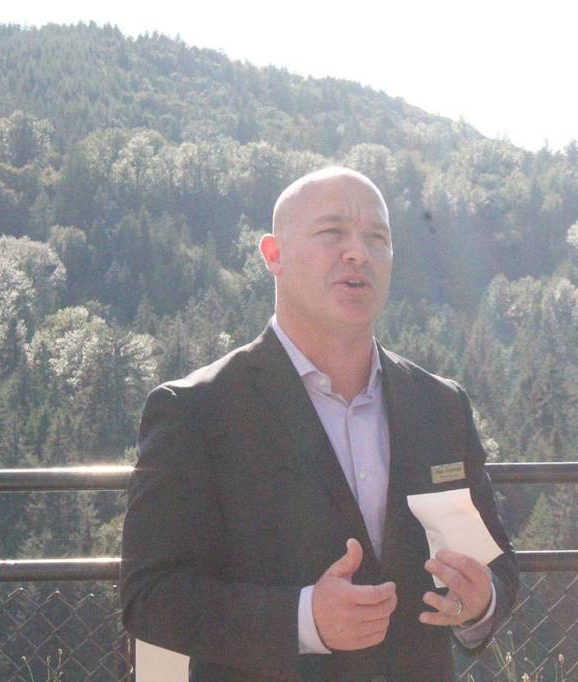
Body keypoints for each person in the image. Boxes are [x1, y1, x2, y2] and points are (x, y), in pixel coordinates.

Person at [121, 167, 517, 681]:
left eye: (378, 237)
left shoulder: (439, 406)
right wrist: (304, 619)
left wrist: (481, 602)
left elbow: (499, 564)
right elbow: (150, 598)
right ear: (273, 255)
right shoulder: (196, 409)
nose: (358, 252)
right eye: (333, 232)